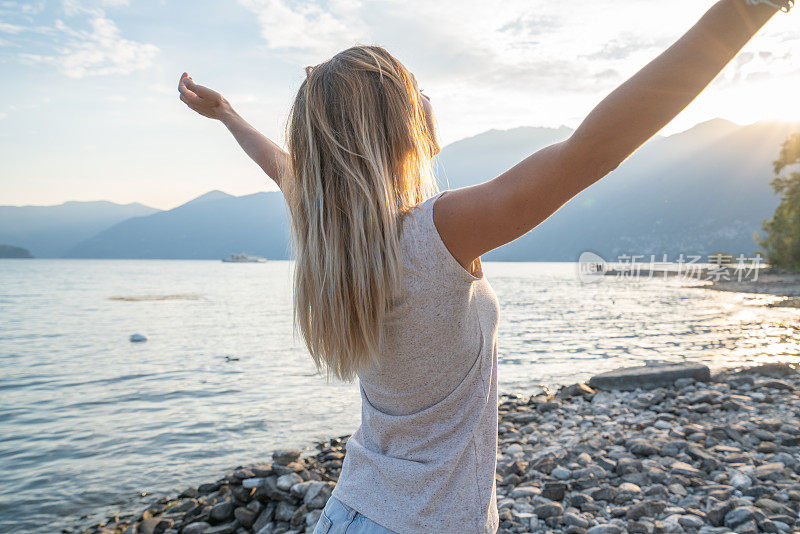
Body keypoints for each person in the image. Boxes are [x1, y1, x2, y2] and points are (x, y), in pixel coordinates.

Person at [178, 1, 793, 532]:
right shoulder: (438, 231)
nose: (427, 98)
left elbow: (283, 169)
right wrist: (744, 12)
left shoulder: (339, 238)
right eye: (414, 90)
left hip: (351, 509)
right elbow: (595, 148)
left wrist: (229, 114)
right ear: (398, 126)